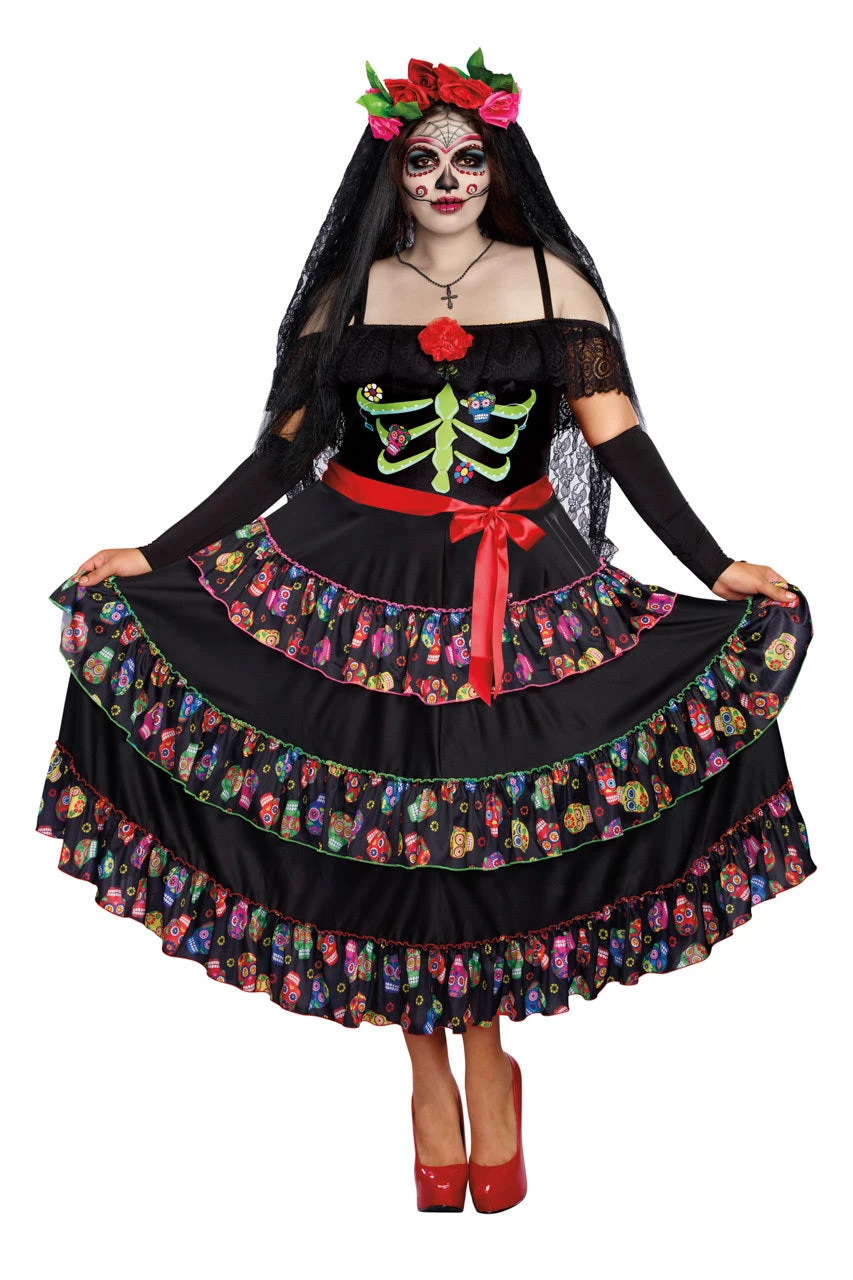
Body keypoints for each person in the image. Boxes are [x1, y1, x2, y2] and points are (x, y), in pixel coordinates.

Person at [36, 51, 816, 1214]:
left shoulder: (552, 283)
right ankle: (425, 1072)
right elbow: (279, 460)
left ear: (500, 166)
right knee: (389, 829)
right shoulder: (349, 296)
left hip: (520, 584)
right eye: (422, 159)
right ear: (390, 171)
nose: (447, 178)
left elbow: (619, 444)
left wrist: (714, 567)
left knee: (487, 824)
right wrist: (153, 555)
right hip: (352, 582)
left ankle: (487, 1054)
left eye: (467, 157)